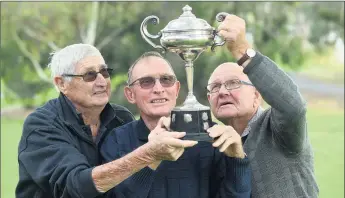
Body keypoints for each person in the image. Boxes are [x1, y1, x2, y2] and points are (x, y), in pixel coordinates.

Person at [16, 44, 196, 198]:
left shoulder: (121, 117)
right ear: (62, 83)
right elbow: (75, 186)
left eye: (104, 72)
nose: (102, 81)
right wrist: (148, 154)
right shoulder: (41, 125)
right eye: (89, 75)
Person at [100, 51, 251, 198]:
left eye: (166, 80)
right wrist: (151, 156)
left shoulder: (209, 136)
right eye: (146, 82)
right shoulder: (117, 140)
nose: (159, 89)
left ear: (177, 89)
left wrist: (237, 161)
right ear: (130, 94)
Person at [206, 14, 319, 197]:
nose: (223, 92)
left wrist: (243, 51)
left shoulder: (276, 127)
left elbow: (293, 107)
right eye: (215, 87)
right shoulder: (215, 144)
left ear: (257, 95)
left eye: (234, 83)